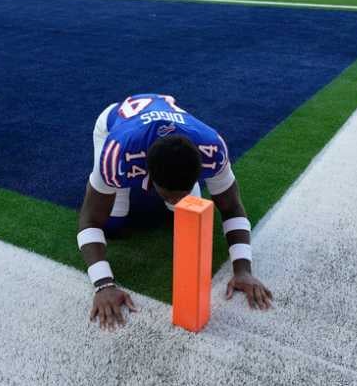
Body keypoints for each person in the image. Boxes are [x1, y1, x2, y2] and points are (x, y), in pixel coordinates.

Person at [77, 94, 272, 330]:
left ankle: (174, 192)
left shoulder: (212, 147)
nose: (178, 199)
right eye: (168, 193)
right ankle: (123, 188)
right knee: (113, 223)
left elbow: (231, 206)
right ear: (149, 175)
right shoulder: (117, 152)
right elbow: (89, 220)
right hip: (115, 125)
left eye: (184, 190)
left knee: (192, 222)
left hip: (163, 133)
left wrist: (243, 270)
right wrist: (103, 285)